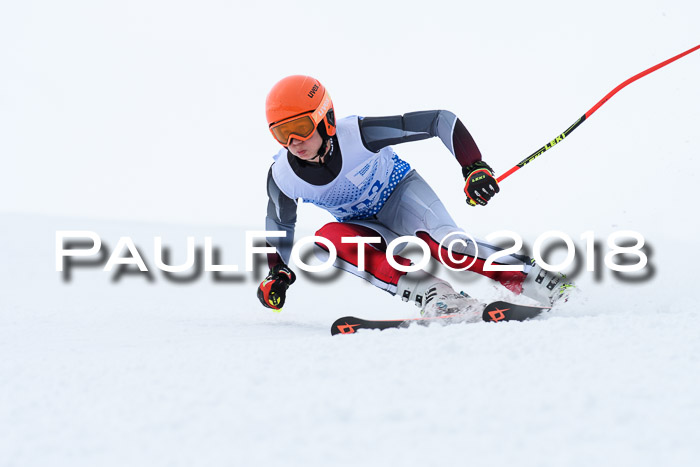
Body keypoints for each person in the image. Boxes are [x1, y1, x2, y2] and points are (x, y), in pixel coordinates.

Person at [257, 75, 572, 319]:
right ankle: (437, 295)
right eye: (283, 133)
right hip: (364, 225)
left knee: (450, 248)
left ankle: (541, 282)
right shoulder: (283, 176)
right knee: (325, 244)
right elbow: (279, 226)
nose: (294, 141)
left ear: (324, 117)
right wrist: (277, 272)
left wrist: (473, 166)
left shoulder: (358, 135)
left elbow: (439, 120)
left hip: (402, 195)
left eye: (300, 127)